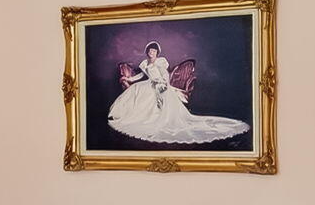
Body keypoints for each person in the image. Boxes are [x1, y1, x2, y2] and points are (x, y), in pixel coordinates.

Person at [106, 42, 251, 144]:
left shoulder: (162, 62)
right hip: (149, 83)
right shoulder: (145, 64)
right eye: (150, 51)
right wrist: (129, 78)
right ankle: (133, 115)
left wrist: (163, 84)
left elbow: (165, 75)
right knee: (135, 91)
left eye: (154, 51)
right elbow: (141, 76)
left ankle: (154, 116)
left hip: (161, 83)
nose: (152, 53)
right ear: (147, 52)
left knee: (154, 94)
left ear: (157, 53)